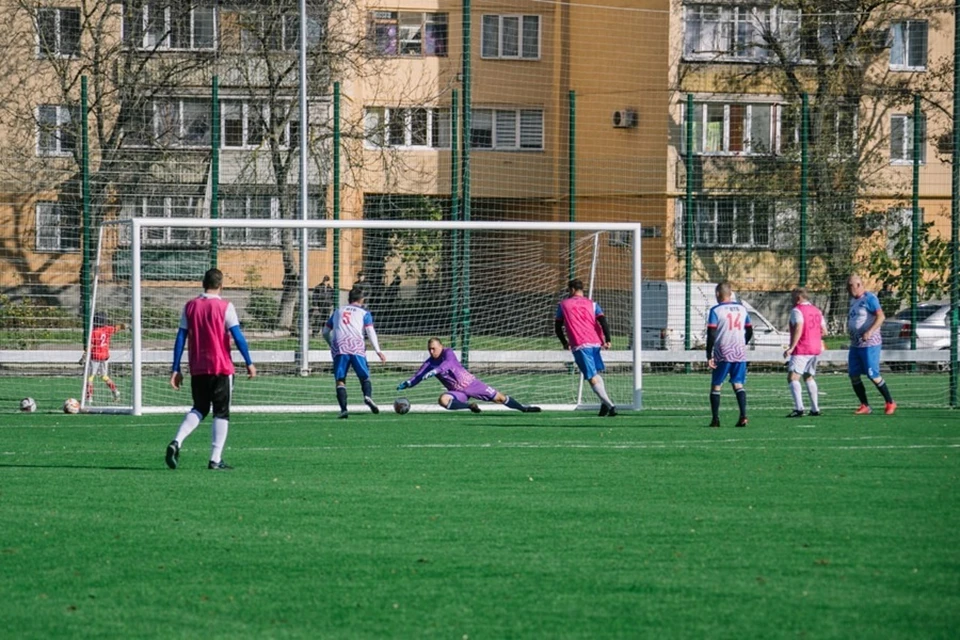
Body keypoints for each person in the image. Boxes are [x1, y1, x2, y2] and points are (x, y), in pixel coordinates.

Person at [164, 268, 256, 471]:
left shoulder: (190, 306)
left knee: (199, 408)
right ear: (221, 286)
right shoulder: (225, 307)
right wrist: (249, 362)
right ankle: (215, 459)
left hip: (198, 367)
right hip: (221, 368)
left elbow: (180, 338)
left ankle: (177, 441)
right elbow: (238, 337)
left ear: (202, 284)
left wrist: (176, 368)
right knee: (221, 412)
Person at [397, 337, 541, 413]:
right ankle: (469, 406)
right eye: (429, 349)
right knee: (443, 400)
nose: (431, 352)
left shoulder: (448, 353)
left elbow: (447, 364)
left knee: (499, 398)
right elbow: (418, 376)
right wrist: (409, 383)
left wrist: (436, 371)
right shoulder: (429, 363)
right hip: (457, 392)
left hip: (471, 384)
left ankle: (523, 408)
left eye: (433, 348)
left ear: (441, 346)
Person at [554, 278, 617, 416]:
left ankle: (610, 405)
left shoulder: (563, 305)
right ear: (582, 290)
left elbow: (558, 327)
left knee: (590, 377)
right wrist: (608, 339)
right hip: (595, 342)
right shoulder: (592, 304)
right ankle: (604, 405)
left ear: (571, 290)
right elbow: (602, 321)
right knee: (595, 373)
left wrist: (564, 342)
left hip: (580, 343)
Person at [322, 286, 386, 419]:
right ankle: (367, 396)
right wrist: (378, 351)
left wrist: (332, 345)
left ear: (349, 299)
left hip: (340, 345)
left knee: (340, 380)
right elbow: (370, 331)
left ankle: (344, 409)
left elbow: (325, 332)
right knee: (364, 376)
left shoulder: (338, 311)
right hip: (356, 345)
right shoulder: (364, 313)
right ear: (362, 299)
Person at [846, 274, 896, 415]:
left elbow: (881, 316)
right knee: (853, 375)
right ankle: (865, 405)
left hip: (869, 344)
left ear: (858, 285)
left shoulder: (870, 298)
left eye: (850, 286)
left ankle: (890, 402)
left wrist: (870, 331)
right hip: (856, 344)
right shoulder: (853, 301)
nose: (848, 289)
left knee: (872, 375)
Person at [706, 282, 753, 428]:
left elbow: (712, 334)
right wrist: (742, 343)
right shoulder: (742, 309)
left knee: (716, 386)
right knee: (738, 384)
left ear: (718, 294)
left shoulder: (716, 310)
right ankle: (743, 415)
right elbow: (750, 330)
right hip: (739, 352)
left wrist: (709, 354)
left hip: (723, 352)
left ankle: (715, 419)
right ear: (730, 293)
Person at [783, 287, 826, 417]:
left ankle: (799, 409)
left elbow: (799, 328)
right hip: (815, 349)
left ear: (798, 298)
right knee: (808, 376)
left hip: (802, 348)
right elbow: (824, 331)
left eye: (792, 296)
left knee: (793, 377)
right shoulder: (817, 310)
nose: (791, 299)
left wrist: (791, 347)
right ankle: (815, 409)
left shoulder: (797, 310)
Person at [83, 311, 126, 402]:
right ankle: (115, 391)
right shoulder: (107, 329)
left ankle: (89, 397)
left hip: (95, 356)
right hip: (105, 356)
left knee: (90, 377)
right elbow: (118, 327)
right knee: (104, 376)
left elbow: (90, 345)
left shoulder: (94, 332)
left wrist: (84, 355)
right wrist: (125, 326)